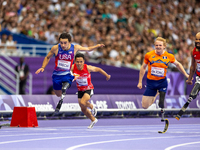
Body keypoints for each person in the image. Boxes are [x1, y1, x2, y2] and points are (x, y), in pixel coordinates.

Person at [35, 32, 105, 112]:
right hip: (56, 75)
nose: (63, 45)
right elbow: (47, 57)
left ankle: (66, 85)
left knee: (68, 79)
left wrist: (97, 46)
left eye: (65, 43)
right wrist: (43, 67)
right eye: (61, 43)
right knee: (58, 94)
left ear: (69, 42)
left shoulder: (75, 48)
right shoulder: (55, 48)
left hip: (67, 73)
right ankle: (63, 89)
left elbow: (88, 49)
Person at [137, 37, 189, 120]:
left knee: (161, 104)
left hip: (162, 82)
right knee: (144, 106)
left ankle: (160, 91)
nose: (158, 47)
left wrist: (186, 74)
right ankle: (156, 93)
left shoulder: (169, 56)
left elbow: (178, 64)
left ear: (164, 46)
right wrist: (140, 81)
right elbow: (143, 67)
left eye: (160, 45)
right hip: (151, 83)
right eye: (156, 45)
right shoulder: (149, 55)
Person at [71, 53, 111, 129]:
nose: (79, 63)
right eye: (77, 62)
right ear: (75, 62)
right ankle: (93, 120)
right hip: (80, 90)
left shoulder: (88, 68)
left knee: (83, 102)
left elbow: (99, 69)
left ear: (84, 61)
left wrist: (107, 76)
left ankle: (92, 107)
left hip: (88, 89)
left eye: (81, 61)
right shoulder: (72, 68)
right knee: (83, 109)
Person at [176, 32, 200, 120]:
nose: (197, 42)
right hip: (199, 76)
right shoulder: (193, 51)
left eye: (199, 40)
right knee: (192, 95)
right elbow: (193, 66)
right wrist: (190, 79)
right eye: (196, 40)